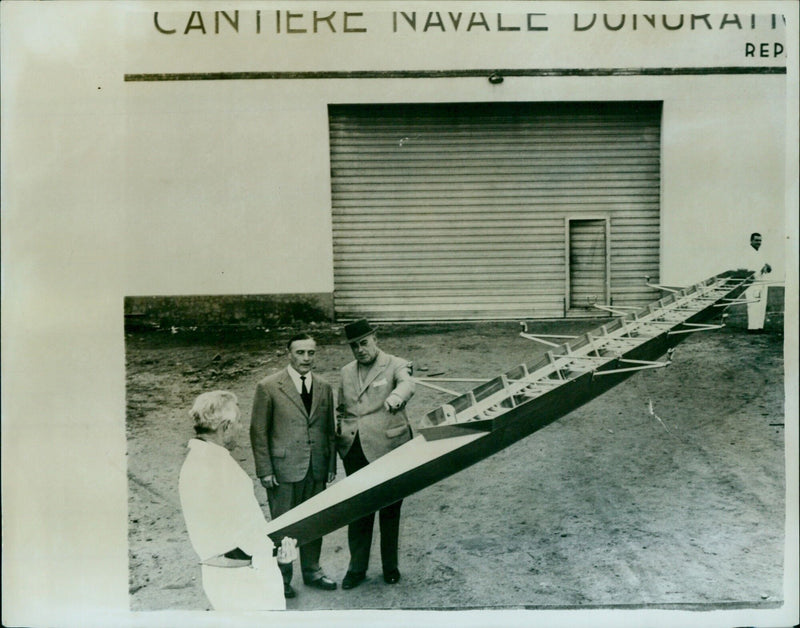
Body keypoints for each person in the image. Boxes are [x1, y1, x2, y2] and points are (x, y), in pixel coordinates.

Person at [178, 390, 297, 611]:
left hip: (220, 573)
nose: (241, 428)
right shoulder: (219, 469)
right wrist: (278, 556)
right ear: (224, 427)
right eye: (239, 422)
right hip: (242, 579)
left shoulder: (196, 461)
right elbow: (245, 532)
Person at [250, 332, 337, 598]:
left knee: (314, 521)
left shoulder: (324, 386)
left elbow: (328, 430)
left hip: (316, 468)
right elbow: (258, 431)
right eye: (300, 353)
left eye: (311, 352)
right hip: (283, 470)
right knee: (284, 526)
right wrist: (265, 470)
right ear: (289, 354)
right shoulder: (269, 386)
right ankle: (282, 579)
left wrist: (330, 464)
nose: (306, 358)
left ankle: (312, 571)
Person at [336, 319, 416, 589]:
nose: (360, 349)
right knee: (358, 510)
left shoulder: (395, 364)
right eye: (354, 346)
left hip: (390, 448)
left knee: (390, 508)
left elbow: (407, 384)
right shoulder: (346, 372)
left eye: (364, 343)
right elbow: (342, 408)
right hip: (354, 449)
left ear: (375, 339)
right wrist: (342, 436)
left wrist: (396, 397)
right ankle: (356, 569)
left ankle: (389, 567)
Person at [745, 232, 772, 332]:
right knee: (753, 303)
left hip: (762, 281)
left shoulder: (760, 252)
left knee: (761, 304)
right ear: (751, 241)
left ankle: (759, 326)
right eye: (756, 240)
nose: (758, 242)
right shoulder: (747, 252)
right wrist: (761, 269)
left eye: (760, 240)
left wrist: (768, 267)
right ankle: (752, 327)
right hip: (753, 282)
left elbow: (766, 265)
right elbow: (748, 268)